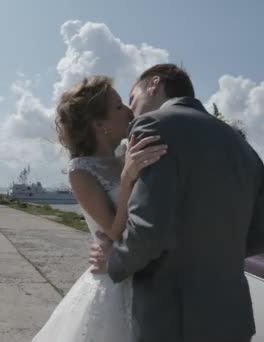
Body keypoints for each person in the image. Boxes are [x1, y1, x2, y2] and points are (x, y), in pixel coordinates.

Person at [90, 64, 264, 342]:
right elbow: (263, 237)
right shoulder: (243, 147)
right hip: (233, 321)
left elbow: (149, 229)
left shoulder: (154, 125)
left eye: (132, 98)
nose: (130, 110)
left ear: (154, 85)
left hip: (174, 322)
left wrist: (114, 260)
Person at [32, 76, 167, 342]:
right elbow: (114, 231)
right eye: (119, 106)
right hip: (113, 281)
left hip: (148, 275)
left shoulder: (130, 151)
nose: (129, 111)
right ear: (100, 125)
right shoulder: (81, 171)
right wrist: (128, 177)